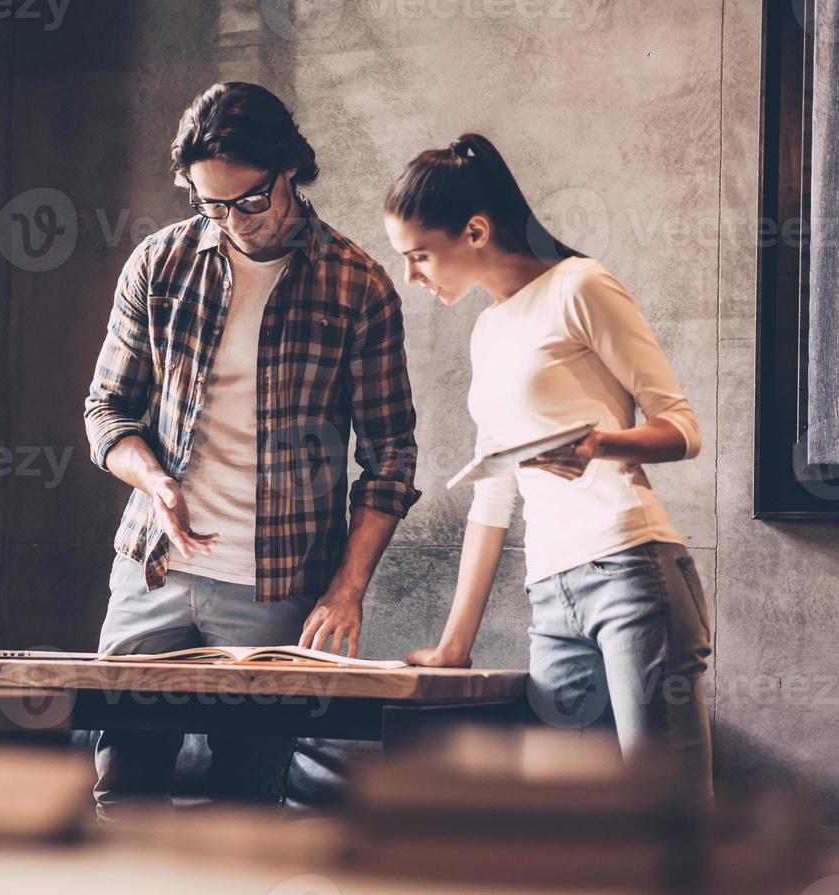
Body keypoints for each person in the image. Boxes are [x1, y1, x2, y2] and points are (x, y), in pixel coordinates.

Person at [82, 82, 421, 819]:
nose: (231, 221)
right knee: (121, 796)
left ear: (289, 171)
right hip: (152, 570)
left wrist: (346, 589)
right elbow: (105, 410)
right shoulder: (158, 264)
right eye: (210, 205)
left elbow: (391, 457)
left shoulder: (355, 285)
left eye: (248, 201)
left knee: (246, 808)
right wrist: (152, 480)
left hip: (276, 590)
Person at [382, 133, 713, 806]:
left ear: (474, 230)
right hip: (549, 594)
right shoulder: (487, 329)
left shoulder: (580, 286)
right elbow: (491, 495)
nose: (411, 276)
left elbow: (681, 430)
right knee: (559, 817)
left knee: (668, 813)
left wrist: (599, 445)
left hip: (631, 570)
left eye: (417, 255)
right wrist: (453, 645)